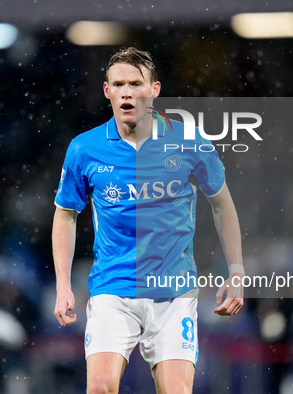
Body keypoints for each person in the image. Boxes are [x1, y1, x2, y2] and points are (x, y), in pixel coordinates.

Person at [53, 47, 245, 394]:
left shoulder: (189, 141)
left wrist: (236, 271)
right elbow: (65, 214)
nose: (127, 92)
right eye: (119, 84)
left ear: (154, 89)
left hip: (174, 293)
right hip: (113, 288)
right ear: (107, 90)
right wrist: (64, 285)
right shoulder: (85, 149)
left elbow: (222, 205)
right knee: (99, 388)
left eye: (136, 84)